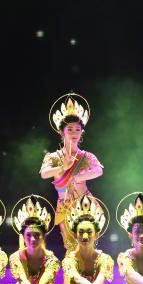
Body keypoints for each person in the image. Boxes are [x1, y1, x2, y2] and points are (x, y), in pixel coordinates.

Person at [39, 94, 103, 251]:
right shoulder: (54, 157)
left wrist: (79, 176)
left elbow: (98, 170)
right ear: (62, 132)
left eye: (78, 129)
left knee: (88, 246)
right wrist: (62, 167)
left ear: (82, 132)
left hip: (85, 205)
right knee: (71, 248)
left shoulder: (86, 156)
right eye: (70, 129)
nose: (74, 133)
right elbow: (44, 173)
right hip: (65, 207)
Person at [57, 194, 114, 284]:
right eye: (81, 232)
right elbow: (76, 278)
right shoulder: (69, 260)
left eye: (89, 232)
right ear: (75, 234)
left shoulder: (104, 259)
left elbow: (100, 281)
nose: (85, 236)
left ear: (96, 234)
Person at [7, 195, 61, 284]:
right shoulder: (16, 258)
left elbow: (43, 283)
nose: (32, 239)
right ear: (23, 236)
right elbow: (23, 281)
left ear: (44, 236)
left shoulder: (52, 260)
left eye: (37, 235)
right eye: (28, 235)